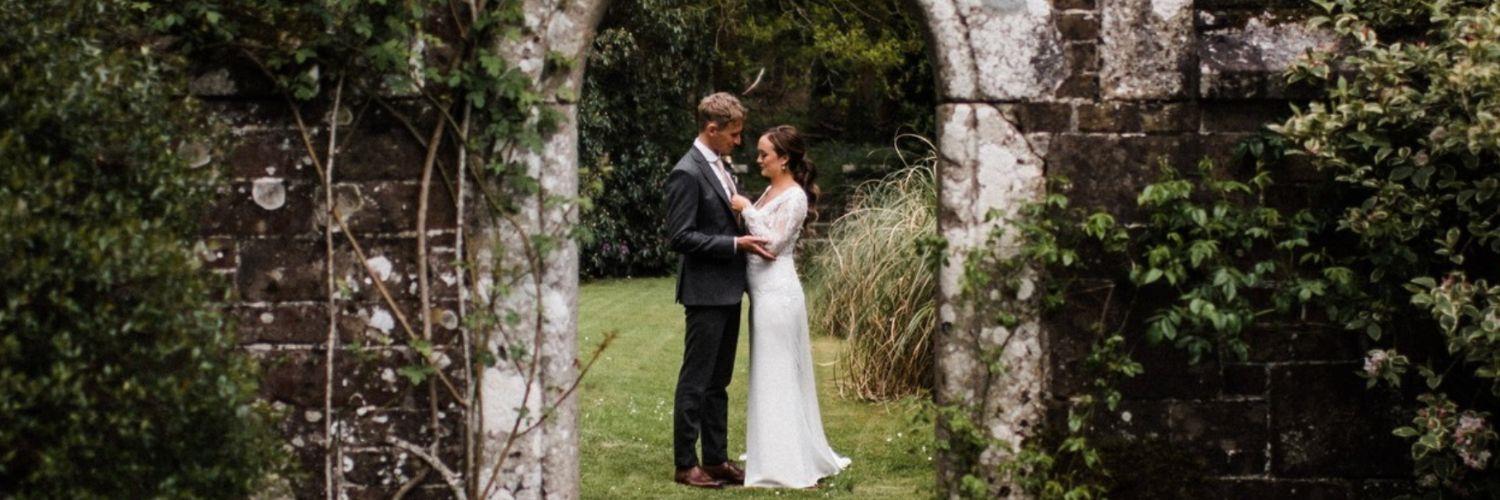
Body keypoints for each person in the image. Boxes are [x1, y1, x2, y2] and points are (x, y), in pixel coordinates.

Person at [729, 125, 850, 488]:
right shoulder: (771, 189)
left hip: (778, 295)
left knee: (777, 372)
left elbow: (774, 244)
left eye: (765, 153)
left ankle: (786, 462)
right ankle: (773, 449)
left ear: (784, 159)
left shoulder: (794, 196)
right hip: (763, 293)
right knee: (767, 371)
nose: (759, 158)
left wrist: (748, 209)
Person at [663, 92, 772, 489]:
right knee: (695, 380)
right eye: (733, 134)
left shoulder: (720, 166)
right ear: (712, 129)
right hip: (705, 292)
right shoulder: (687, 172)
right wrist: (734, 245)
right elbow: (681, 237)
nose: (738, 141)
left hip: (728, 290)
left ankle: (715, 459)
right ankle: (684, 464)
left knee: (718, 383)